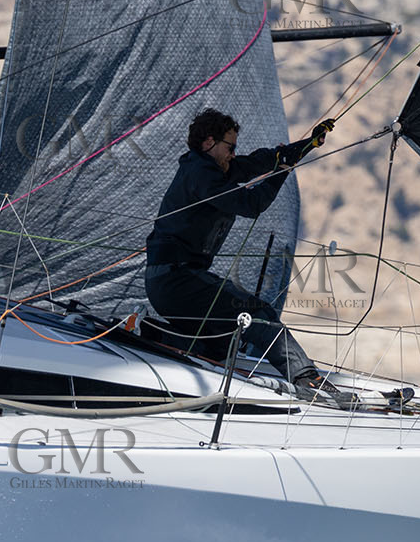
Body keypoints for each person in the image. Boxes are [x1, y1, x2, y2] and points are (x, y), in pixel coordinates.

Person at [144, 108, 356, 407]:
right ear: (208, 142)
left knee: (223, 340)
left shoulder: (211, 168)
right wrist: (282, 172)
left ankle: (154, 334)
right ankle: (308, 380)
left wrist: (307, 144)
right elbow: (251, 203)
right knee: (257, 314)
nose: (233, 154)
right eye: (230, 147)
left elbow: (259, 161)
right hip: (176, 280)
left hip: (171, 282)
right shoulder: (202, 175)